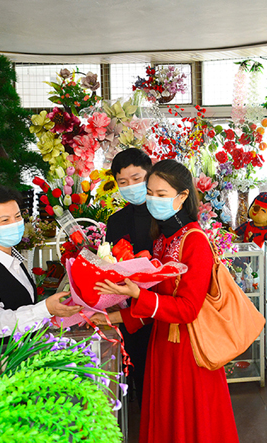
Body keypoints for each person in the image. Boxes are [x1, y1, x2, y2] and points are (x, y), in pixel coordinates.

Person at [93, 159, 239, 443]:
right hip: (162, 345)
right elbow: (155, 304)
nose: (152, 200)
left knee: (190, 424)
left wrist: (137, 294)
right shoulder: (162, 240)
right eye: (150, 193)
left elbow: (188, 309)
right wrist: (111, 318)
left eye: (161, 194)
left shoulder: (194, 241)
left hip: (188, 352)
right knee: (167, 420)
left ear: (183, 196)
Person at [0, 183, 81, 402]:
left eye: (17, 217)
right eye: (4, 220)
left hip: (17, 373)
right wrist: (45, 309)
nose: (15, 225)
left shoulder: (14, 259)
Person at [103, 148, 154, 409]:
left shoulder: (165, 215)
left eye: (136, 179)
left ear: (150, 175)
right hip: (129, 310)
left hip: (161, 308)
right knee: (138, 368)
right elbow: (109, 264)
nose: (131, 186)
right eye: (123, 182)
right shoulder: (116, 221)